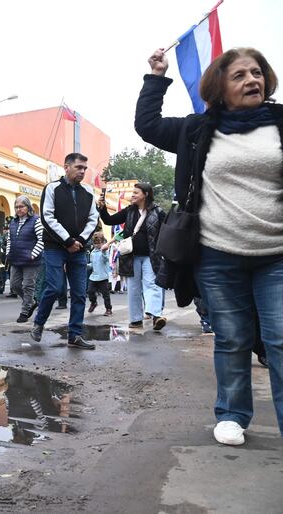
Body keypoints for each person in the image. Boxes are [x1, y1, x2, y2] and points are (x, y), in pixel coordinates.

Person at [136, 47, 283, 445]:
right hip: (217, 256)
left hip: (277, 256)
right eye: (239, 76)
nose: (252, 80)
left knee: (280, 337)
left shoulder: (280, 122)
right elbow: (147, 125)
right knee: (232, 336)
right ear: (219, 88)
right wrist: (156, 77)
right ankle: (232, 414)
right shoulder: (197, 129)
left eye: (256, 73)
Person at [30, 153, 98, 350]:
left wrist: (80, 240)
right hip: (55, 247)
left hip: (79, 249)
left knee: (79, 293)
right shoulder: (52, 188)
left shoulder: (88, 192)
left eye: (85, 168)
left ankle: (75, 335)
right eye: (78, 167)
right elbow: (47, 217)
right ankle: (39, 323)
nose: (82, 171)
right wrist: (67, 240)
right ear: (66, 167)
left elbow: (93, 219)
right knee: (54, 287)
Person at [97, 183, 165, 329]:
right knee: (134, 287)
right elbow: (109, 220)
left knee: (152, 284)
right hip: (131, 255)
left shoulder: (158, 211)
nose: (132, 195)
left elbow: (166, 230)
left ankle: (156, 315)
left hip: (151, 256)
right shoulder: (129, 211)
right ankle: (135, 319)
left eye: (136, 192)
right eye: (132, 192)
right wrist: (102, 208)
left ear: (146, 194)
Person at [7, 196, 43, 323]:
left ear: (28, 207)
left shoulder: (36, 220)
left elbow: (41, 239)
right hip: (15, 258)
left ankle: (25, 311)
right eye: (16, 207)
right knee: (14, 285)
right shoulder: (13, 222)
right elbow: (9, 240)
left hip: (31, 260)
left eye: (21, 206)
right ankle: (32, 301)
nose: (19, 209)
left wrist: (33, 254)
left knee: (28, 286)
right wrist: (8, 254)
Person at [87, 232, 113, 316]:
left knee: (105, 295)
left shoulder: (105, 251)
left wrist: (104, 251)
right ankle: (93, 303)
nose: (96, 245)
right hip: (93, 277)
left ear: (102, 242)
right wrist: (86, 266)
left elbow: (106, 259)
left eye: (98, 243)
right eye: (95, 244)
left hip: (103, 277)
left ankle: (108, 309)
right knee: (90, 291)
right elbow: (92, 264)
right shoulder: (92, 253)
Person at [0, 215, 14, 296]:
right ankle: (1, 288)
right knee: (2, 273)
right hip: (4, 257)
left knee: (13, 274)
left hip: (13, 257)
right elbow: (2, 244)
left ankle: (14, 291)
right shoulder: (5, 235)